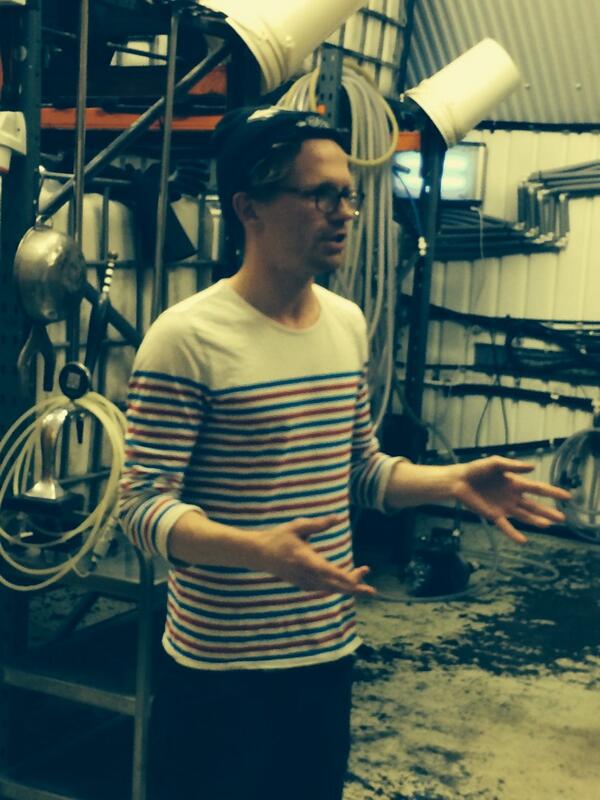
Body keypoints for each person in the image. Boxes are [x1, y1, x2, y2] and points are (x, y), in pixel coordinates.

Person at [118, 105, 571, 800]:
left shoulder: (346, 324)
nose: (345, 213)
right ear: (249, 207)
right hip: (220, 672)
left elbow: (360, 468)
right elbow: (141, 507)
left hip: (326, 656)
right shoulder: (186, 339)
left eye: (349, 195)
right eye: (320, 195)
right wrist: (256, 550)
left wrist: (451, 482)